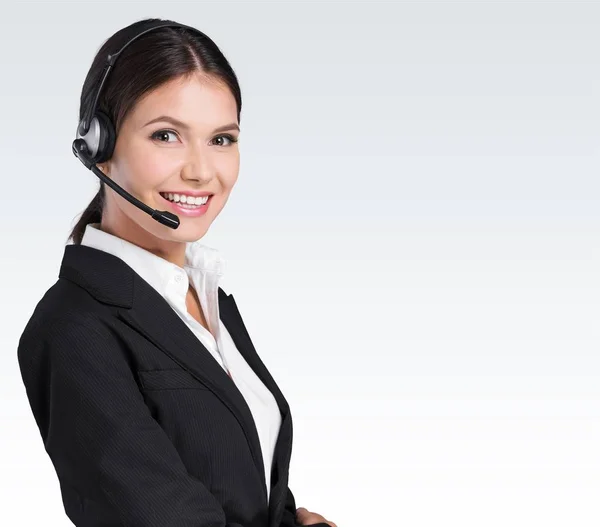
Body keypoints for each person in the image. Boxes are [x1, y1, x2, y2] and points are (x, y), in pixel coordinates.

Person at [17, 17, 336, 527]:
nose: (201, 171)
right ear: (98, 146)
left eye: (222, 139)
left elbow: (236, 484)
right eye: (167, 135)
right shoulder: (73, 330)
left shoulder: (207, 299)